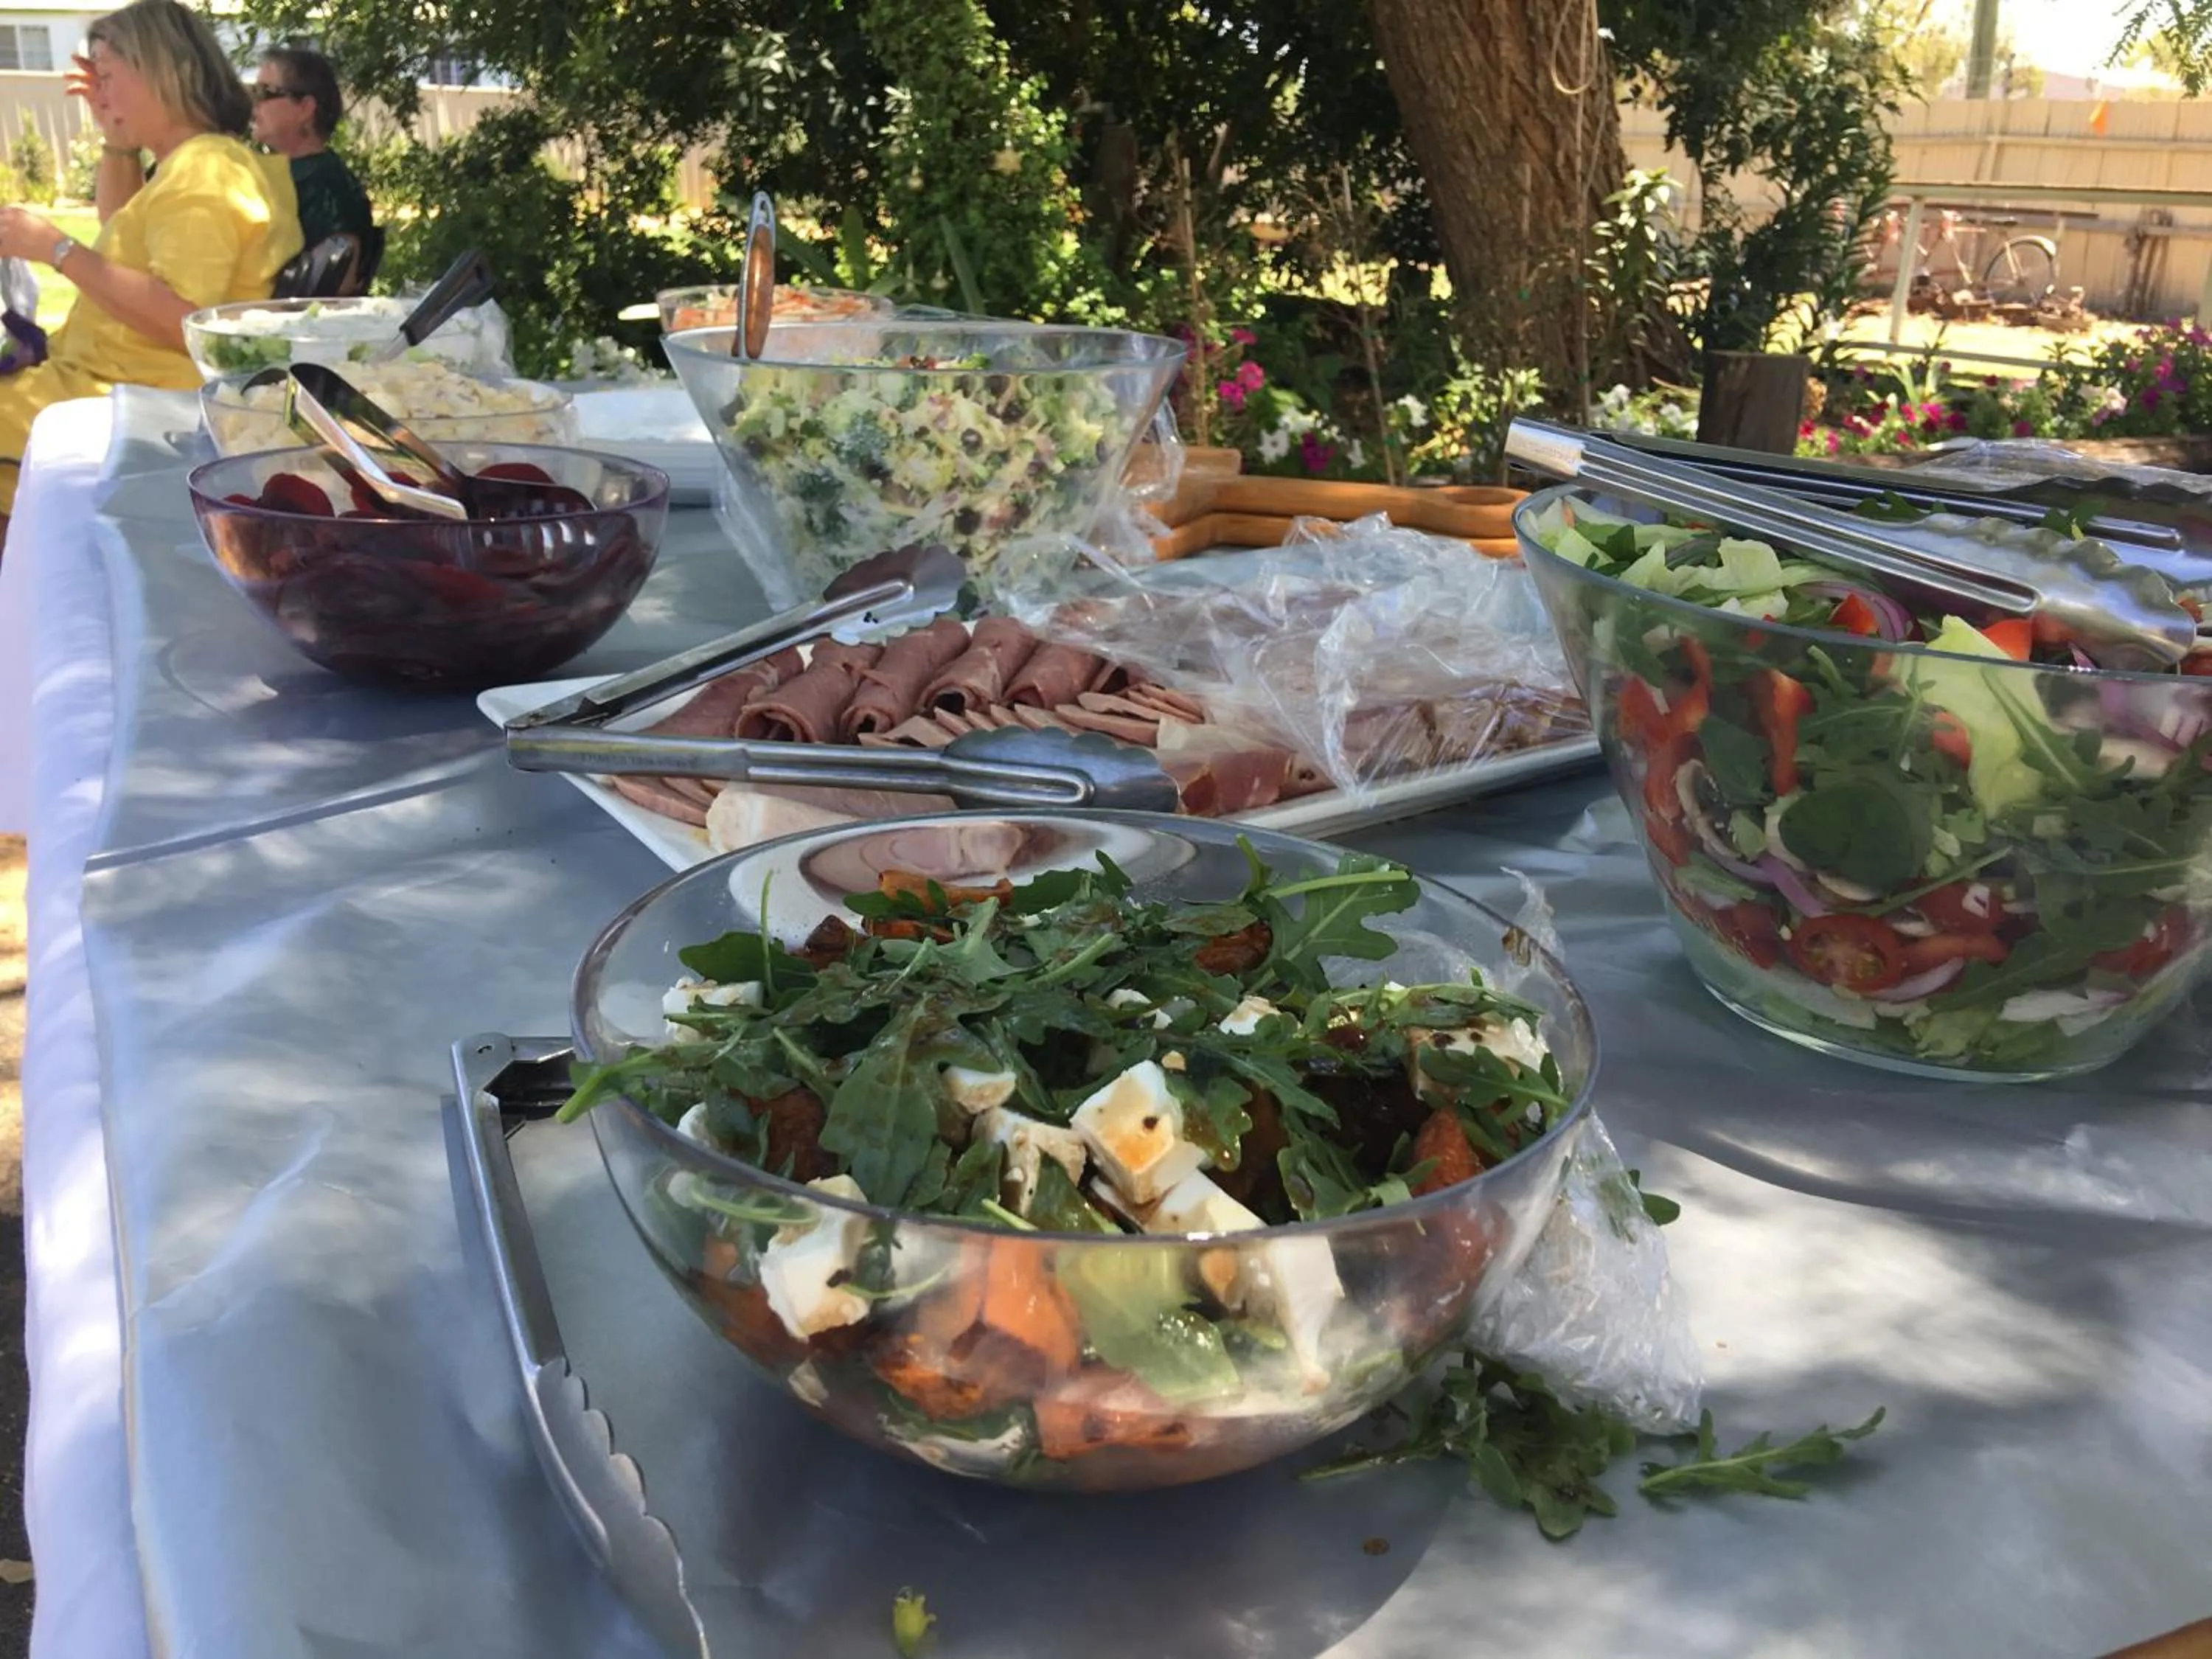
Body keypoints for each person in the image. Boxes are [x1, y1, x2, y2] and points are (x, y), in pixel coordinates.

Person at [0, 0, 300, 515]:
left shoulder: (207, 172)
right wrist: (118, 141)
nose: (99, 93)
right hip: (109, 386)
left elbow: (185, 320)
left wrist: (54, 247)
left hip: (127, 404)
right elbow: (120, 229)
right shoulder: (195, 164)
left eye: (108, 76)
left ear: (164, 73)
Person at [251, 47, 373, 254]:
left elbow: (341, 270)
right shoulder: (290, 175)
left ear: (305, 108)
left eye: (265, 93)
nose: (255, 104)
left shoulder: (329, 188)